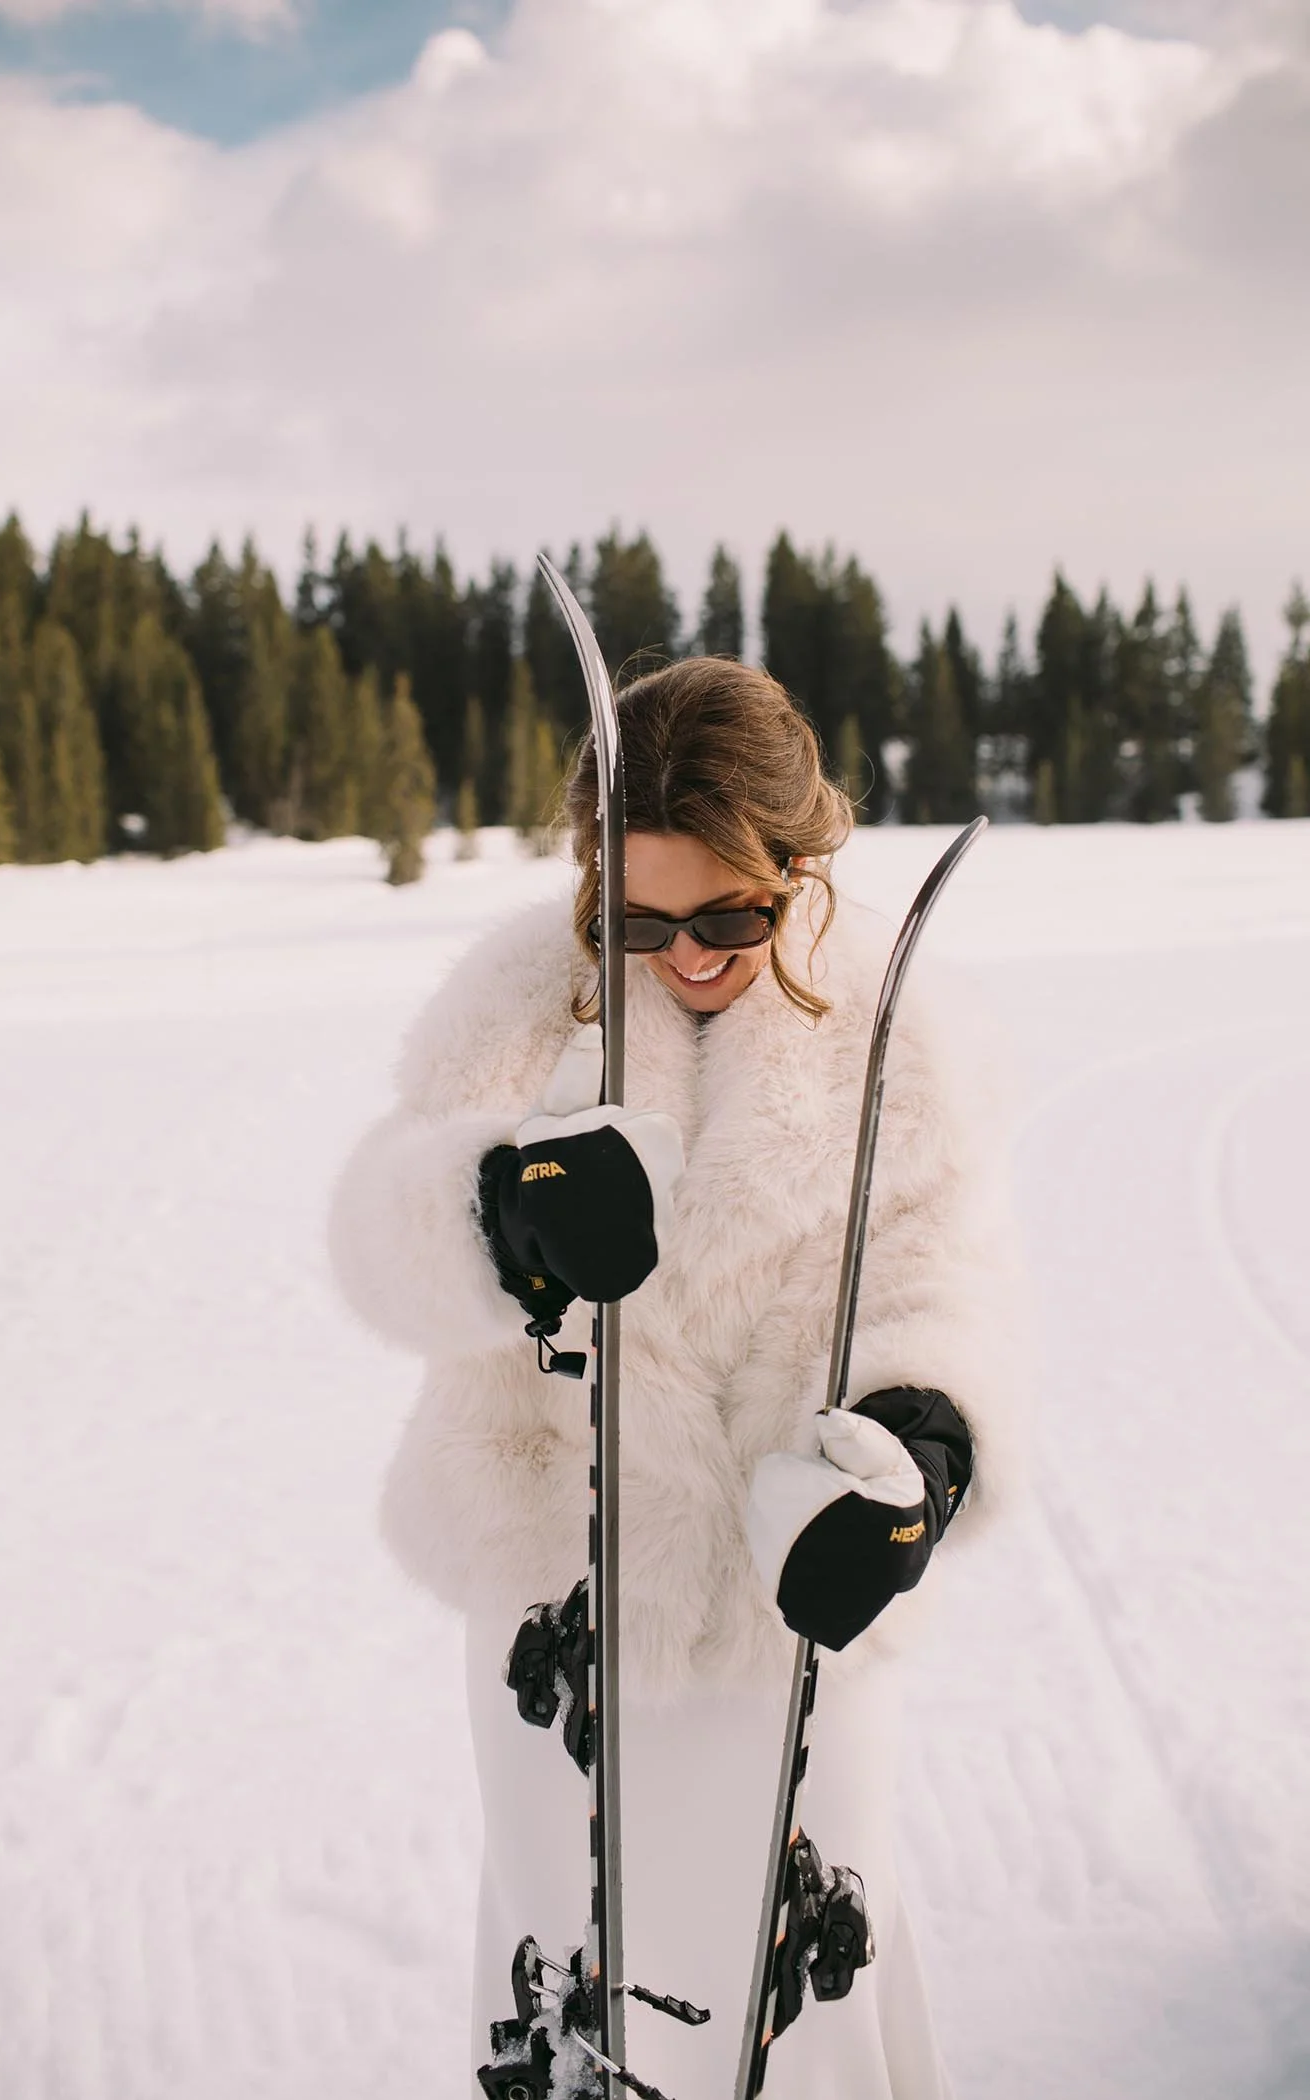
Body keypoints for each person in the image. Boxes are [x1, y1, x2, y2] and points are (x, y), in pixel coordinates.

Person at [329, 656, 1023, 2098]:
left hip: (795, 1613)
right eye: (643, 917)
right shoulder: (523, 998)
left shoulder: (891, 1031)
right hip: (560, 1608)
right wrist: (496, 1213)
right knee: (575, 1965)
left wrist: (919, 1453)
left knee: (805, 1969)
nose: (690, 956)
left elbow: (938, 1275)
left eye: (731, 915)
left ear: (800, 865)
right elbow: (377, 1227)